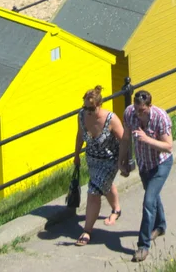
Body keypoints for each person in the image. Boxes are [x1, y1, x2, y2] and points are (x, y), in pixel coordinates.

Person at [118, 89, 174, 263]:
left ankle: (143, 245)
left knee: (148, 201)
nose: (138, 113)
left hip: (160, 165)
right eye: (136, 109)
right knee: (153, 196)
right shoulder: (129, 114)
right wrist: (123, 160)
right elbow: (126, 138)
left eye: (142, 110)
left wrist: (146, 138)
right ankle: (160, 226)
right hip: (144, 164)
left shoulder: (160, 118)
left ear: (149, 106)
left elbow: (168, 146)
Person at [75, 86, 124, 246]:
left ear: (99, 105)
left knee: (94, 191)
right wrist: (76, 155)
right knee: (105, 185)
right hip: (92, 160)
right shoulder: (82, 116)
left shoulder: (111, 119)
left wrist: (124, 161)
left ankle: (87, 230)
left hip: (110, 160)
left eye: (91, 108)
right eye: (85, 107)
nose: (88, 111)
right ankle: (116, 209)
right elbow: (80, 134)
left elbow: (124, 139)